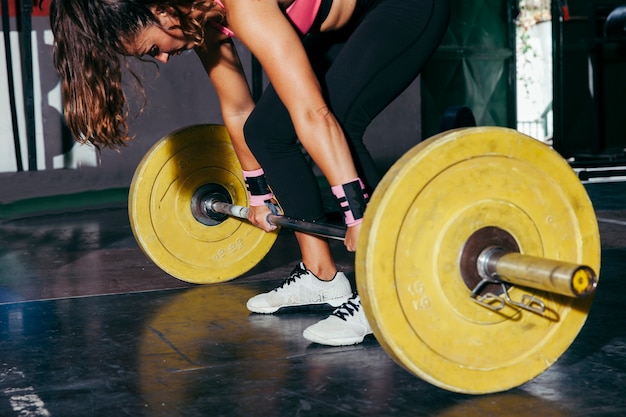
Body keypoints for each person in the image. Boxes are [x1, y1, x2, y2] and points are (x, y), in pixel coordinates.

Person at [49, 0, 450, 346]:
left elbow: (314, 114)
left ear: (159, 10)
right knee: (266, 131)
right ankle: (322, 275)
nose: (164, 58)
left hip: (403, 8)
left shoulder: (244, 7)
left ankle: (387, 287)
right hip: (348, 25)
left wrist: (358, 215)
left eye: (154, 47)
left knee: (339, 122)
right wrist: (258, 195)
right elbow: (239, 108)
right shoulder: (197, 17)